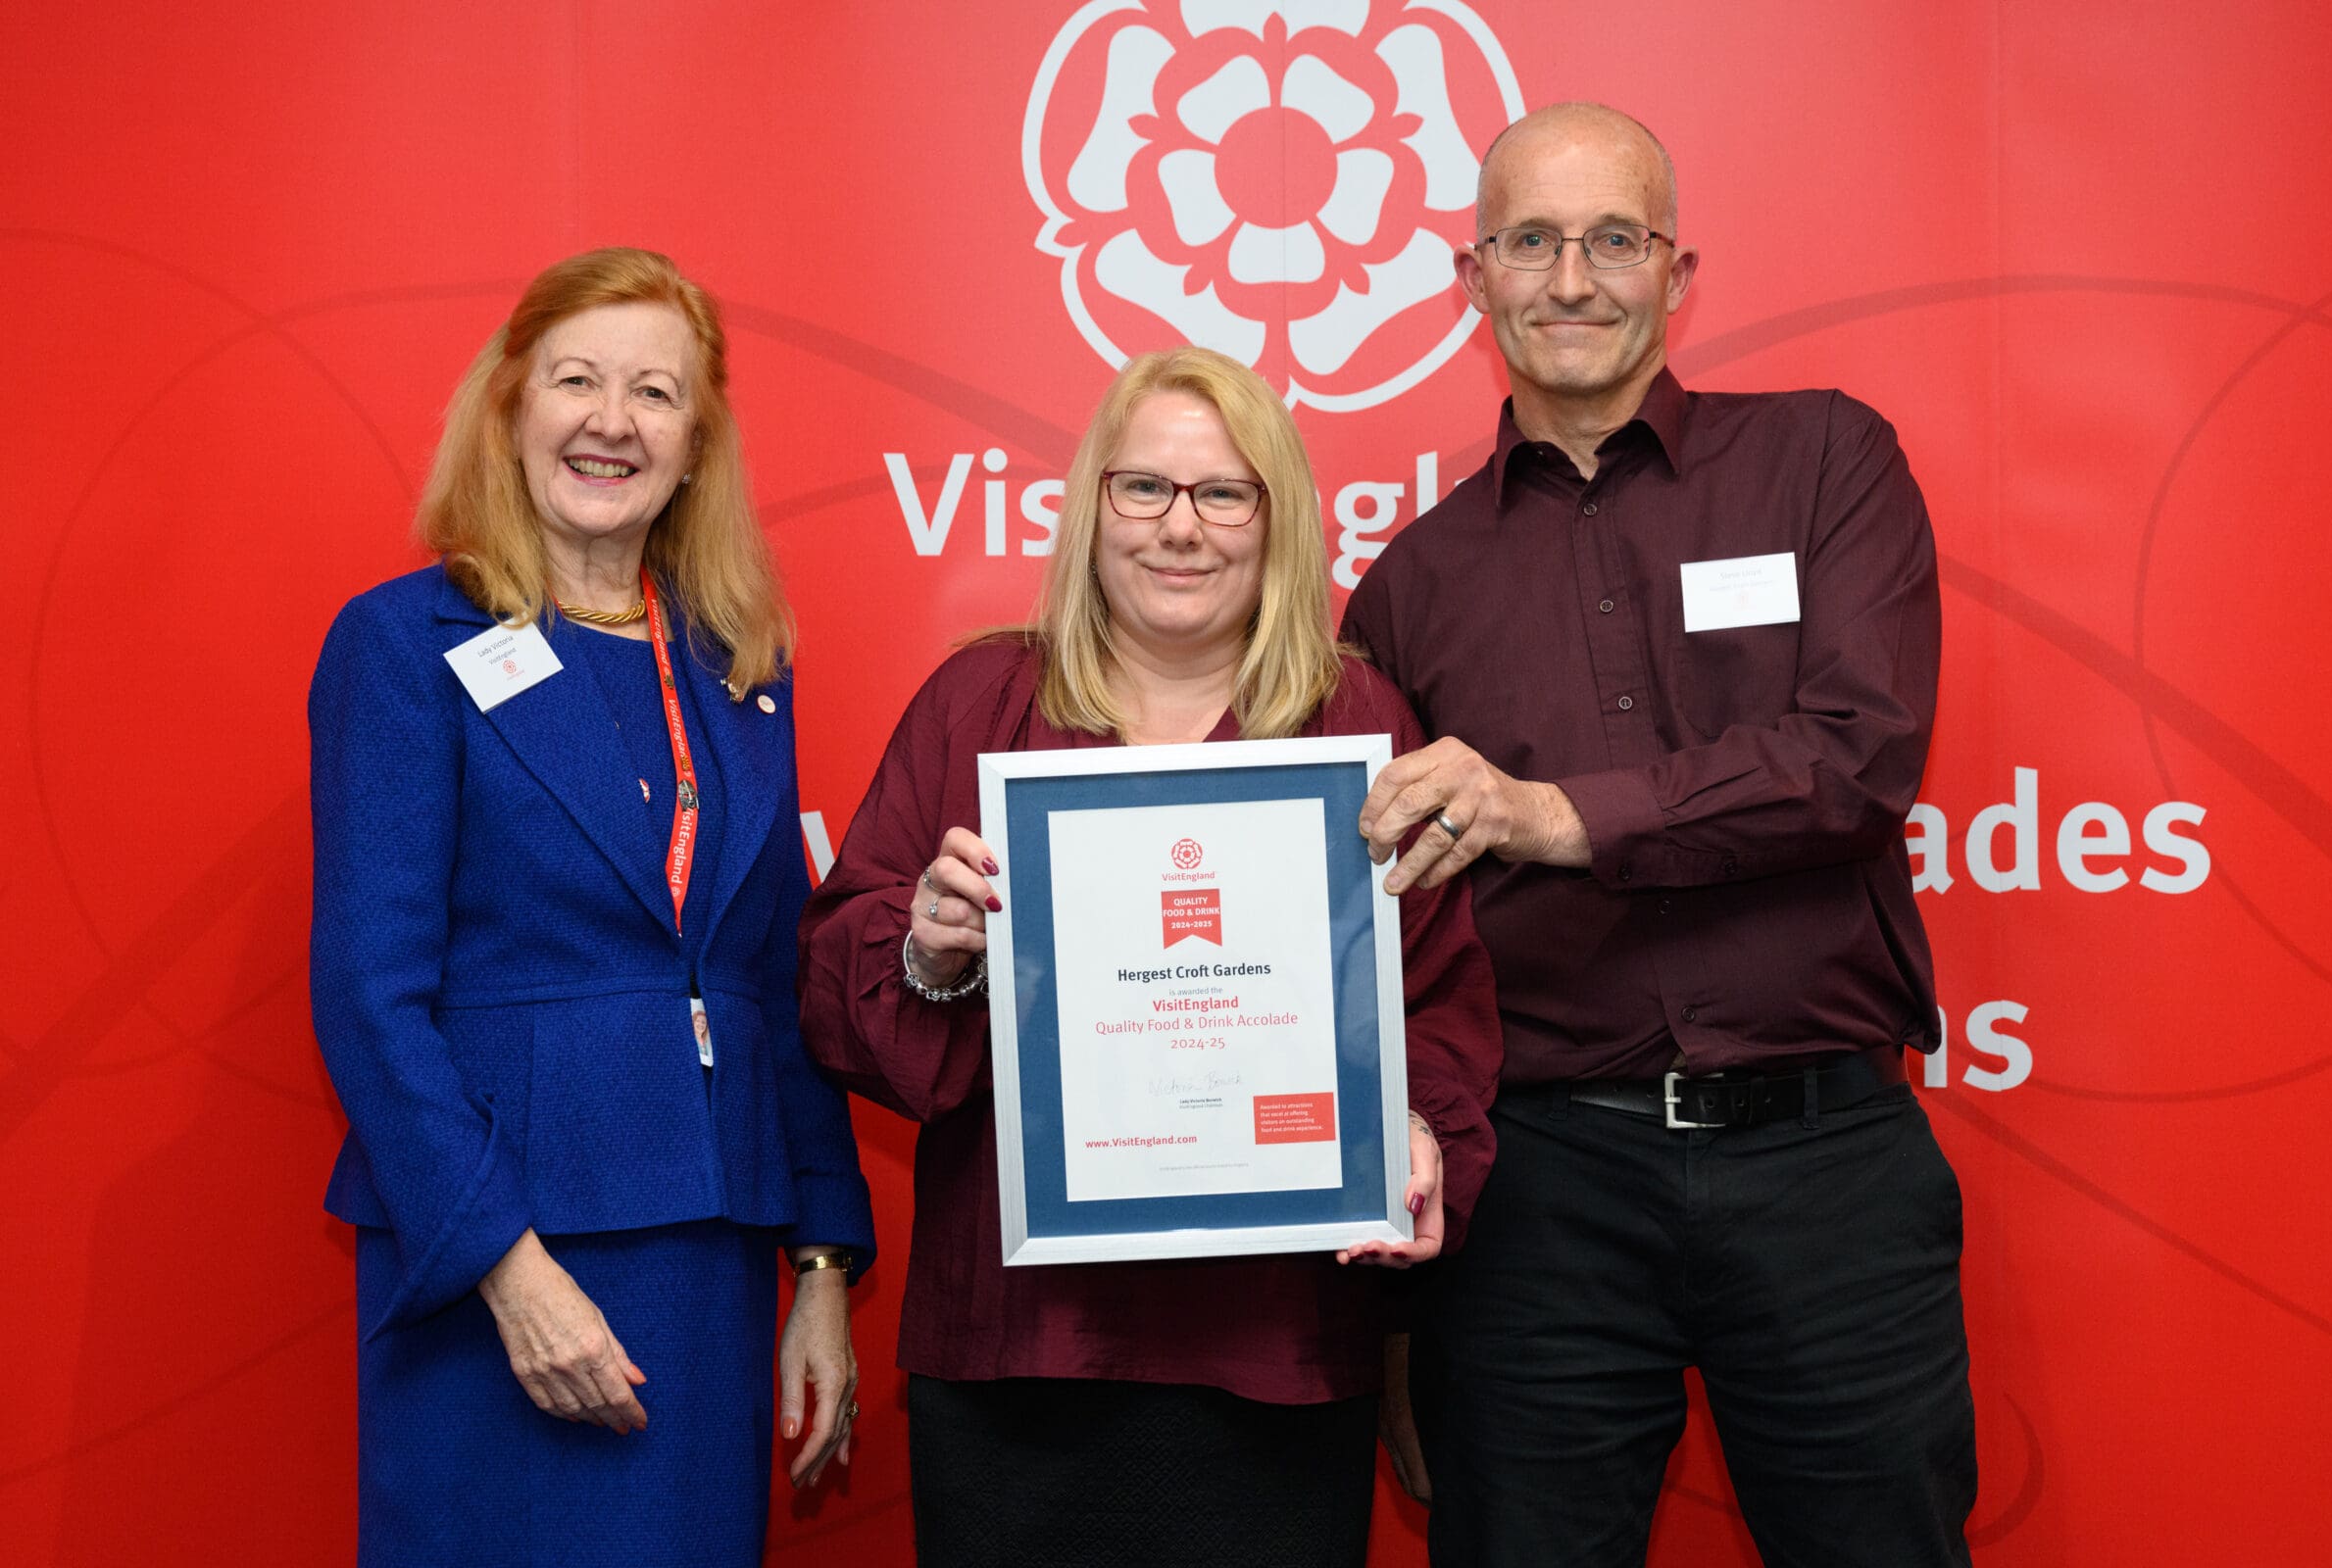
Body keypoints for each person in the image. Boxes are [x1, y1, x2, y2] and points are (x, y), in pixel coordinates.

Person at [1345, 104, 1974, 1566]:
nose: (1573, 279)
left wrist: (1553, 814)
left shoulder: (1825, 461)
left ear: (1677, 273)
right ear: (1472, 279)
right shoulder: (1408, 587)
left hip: (1828, 1167)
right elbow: (1385, 937)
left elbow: (1859, 757)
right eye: (1532, 242)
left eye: (1614, 239)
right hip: (1542, 1199)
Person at [798, 346, 1502, 1567]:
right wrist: (930, 949)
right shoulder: (979, 703)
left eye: (1224, 494)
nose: (1183, 529)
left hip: (1271, 1347)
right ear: (1092, 507)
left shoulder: (1358, 723)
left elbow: (1434, 993)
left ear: (1276, 523)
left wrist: (1422, 1130)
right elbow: (836, 968)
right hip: (1021, 1349)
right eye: (1146, 490)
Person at [308, 246, 874, 1568]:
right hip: (494, 1265)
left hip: (704, 1260)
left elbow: (775, 987)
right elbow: (369, 995)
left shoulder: (743, 668)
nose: (612, 421)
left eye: (655, 394)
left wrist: (823, 1267)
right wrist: (504, 1265)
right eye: (577, 380)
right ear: (511, 408)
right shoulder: (404, 646)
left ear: (696, 442)